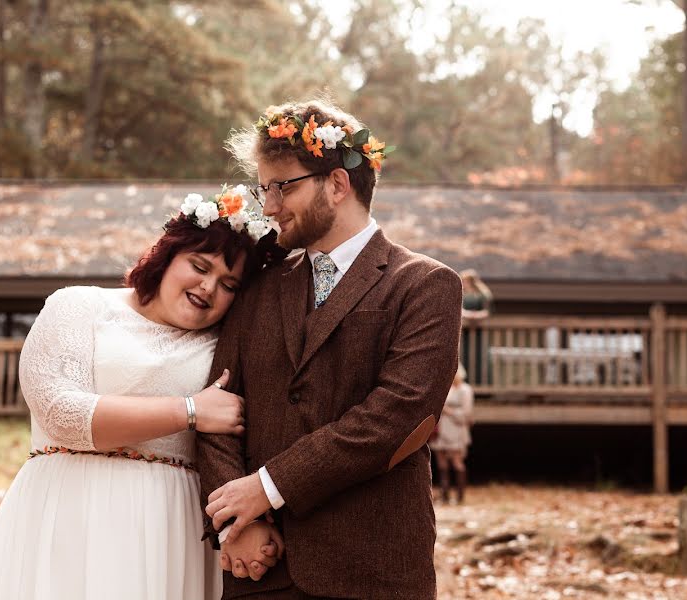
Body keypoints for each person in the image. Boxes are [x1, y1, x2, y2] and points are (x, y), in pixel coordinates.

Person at [196, 100, 463, 600]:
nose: (269, 206)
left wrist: (268, 487)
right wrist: (235, 520)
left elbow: (396, 417)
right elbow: (216, 407)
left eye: (283, 187)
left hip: (372, 568)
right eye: (264, 189)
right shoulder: (257, 286)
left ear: (337, 184)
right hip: (260, 568)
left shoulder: (425, 285)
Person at [0, 186, 286, 600]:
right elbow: (60, 413)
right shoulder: (79, 306)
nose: (209, 288)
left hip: (169, 529)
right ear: (167, 254)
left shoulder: (224, 346)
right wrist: (189, 411)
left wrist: (243, 521)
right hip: (68, 514)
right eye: (199, 265)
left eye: (228, 284)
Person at [430, 363, 475, 504]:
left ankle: (460, 496)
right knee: (441, 462)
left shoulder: (465, 390)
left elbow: (467, 414)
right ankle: (445, 495)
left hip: (456, 429)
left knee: (457, 461)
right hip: (441, 428)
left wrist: (448, 411)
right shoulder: (445, 388)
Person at [459, 269, 493, 384]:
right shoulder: (461, 294)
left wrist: (475, 315)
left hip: (479, 333)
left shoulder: (482, 294)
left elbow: (487, 311)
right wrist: (466, 314)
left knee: (480, 356)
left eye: (467, 281)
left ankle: (482, 385)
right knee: (464, 356)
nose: (465, 283)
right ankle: (466, 383)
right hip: (464, 334)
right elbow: (458, 311)